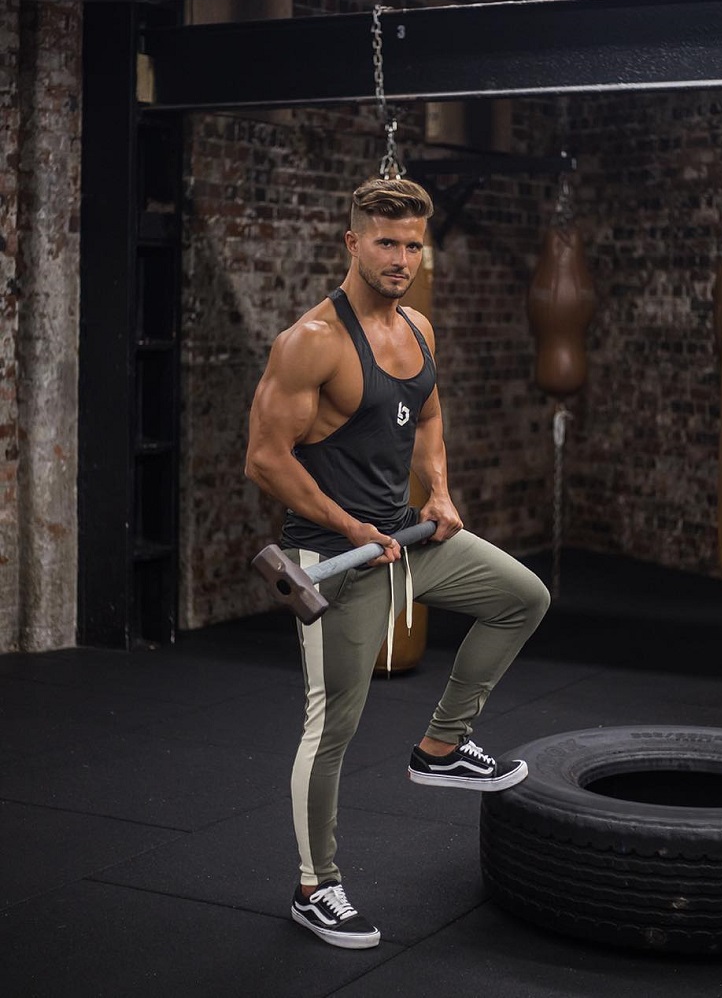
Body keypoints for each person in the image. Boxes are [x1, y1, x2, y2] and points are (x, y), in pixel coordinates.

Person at [244, 177, 550, 950]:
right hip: (337, 558)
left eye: (414, 243)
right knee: (333, 727)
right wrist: (352, 524)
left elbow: (430, 412)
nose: (402, 257)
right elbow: (264, 460)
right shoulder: (311, 341)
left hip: (407, 542)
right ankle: (317, 888)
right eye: (386, 242)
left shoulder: (417, 327)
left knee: (522, 596)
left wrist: (440, 493)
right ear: (352, 243)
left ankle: (443, 745)